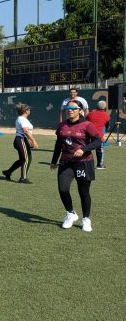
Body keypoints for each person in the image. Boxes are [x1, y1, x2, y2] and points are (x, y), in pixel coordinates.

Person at [51, 99, 100, 232]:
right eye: (68, 109)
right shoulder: (61, 126)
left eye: (73, 108)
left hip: (84, 163)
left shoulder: (87, 125)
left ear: (80, 110)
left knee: (83, 192)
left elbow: (97, 141)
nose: (70, 111)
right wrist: (54, 161)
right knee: (63, 189)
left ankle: (86, 219)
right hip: (66, 162)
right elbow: (58, 145)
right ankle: (70, 213)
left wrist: (83, 149)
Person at [2, 104, 38, 183]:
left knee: (23, 159)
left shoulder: (24, 119)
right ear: (25, 111)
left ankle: (8, 172)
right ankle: (23, 178)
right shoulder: (22, 119)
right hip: (21, 139)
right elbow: (25, 131)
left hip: (22, 140)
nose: (29, 111)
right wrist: (33, 140)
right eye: (29, 109)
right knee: (26, 159)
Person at [86, 100, 110, 169]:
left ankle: (82, 162)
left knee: (86, 148)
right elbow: (108, 126)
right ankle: (100, 165)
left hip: (88, 135)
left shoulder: (90, 114)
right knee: (100, 150)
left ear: (96, 106)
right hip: (99, 136)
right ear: (105, 108)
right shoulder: (107, 116)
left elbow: (85, 121)